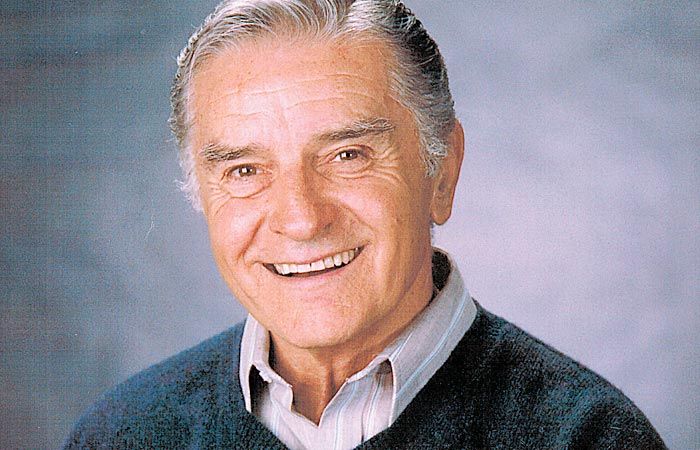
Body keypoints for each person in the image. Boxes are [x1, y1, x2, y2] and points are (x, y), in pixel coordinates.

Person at [65, 1, 666, 448]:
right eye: (245, 170)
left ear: (442, 173)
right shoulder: (122, 436)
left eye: (347, 156)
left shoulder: (589, 437)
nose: (302, 218)